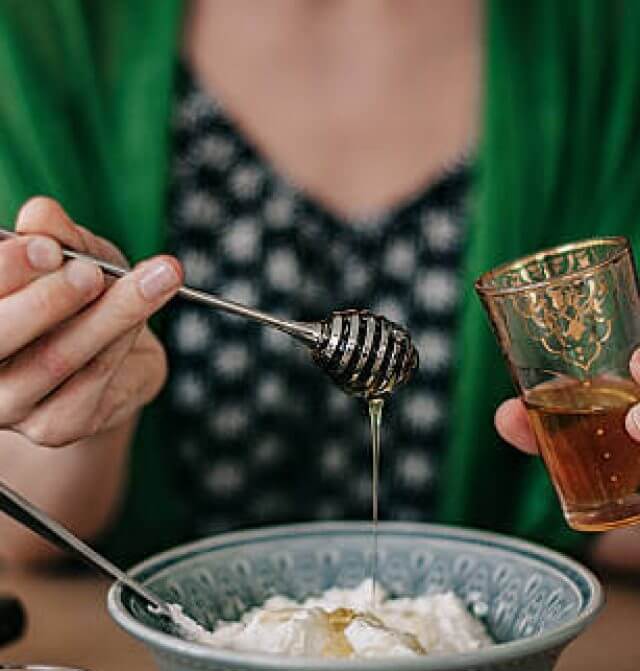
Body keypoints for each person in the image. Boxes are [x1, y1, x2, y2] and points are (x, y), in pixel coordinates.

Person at [1, 0, 640, 570]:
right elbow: (21, 528)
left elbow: (616, 517)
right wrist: (81, 383)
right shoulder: (39, 33)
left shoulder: (612, 35)